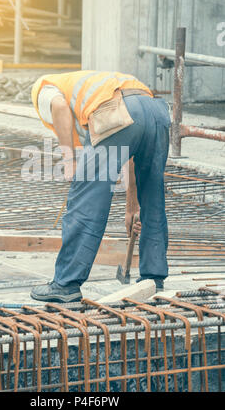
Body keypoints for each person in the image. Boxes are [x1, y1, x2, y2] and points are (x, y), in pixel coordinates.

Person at [30, 71, 171, 302]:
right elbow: (133, 160)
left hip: (117, 109)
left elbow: (59, 107)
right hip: (156, 111)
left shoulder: (42, 88)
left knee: (87, 201)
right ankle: (153, 278)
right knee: (153, 195)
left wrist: (69, 161)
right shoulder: (94, 83)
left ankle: (66, 283)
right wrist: (131, 208)